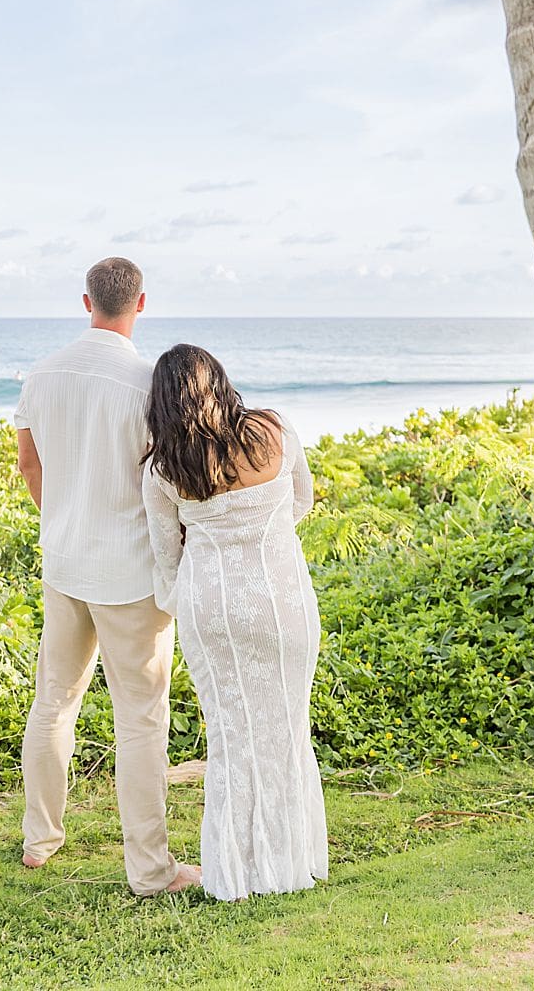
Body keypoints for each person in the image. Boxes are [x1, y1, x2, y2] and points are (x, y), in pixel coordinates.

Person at [13, 258, 200, 896]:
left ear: (85, 300)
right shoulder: (152, 383)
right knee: (141, 720)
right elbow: (173, 482)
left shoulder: (42, 375)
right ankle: (150, 870)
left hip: (66, 563)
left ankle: (41, 838)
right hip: (134, 575)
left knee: (53, 703)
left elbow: (29, 466)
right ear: (140, 303)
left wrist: (65, 520)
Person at [142, 343, 328, 902]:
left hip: (212, 609)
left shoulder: (164, 470)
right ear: (222, 383)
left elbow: (166, 555)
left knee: (230, 738)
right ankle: (293, 862)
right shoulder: (276, 431)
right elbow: (301, 502)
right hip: (282, 601)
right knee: (288, 727)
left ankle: (237, 873)